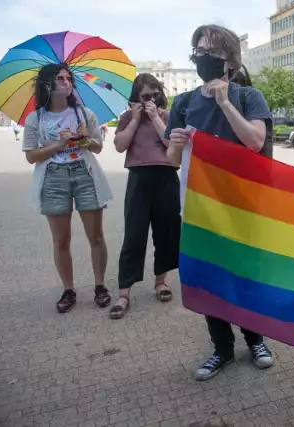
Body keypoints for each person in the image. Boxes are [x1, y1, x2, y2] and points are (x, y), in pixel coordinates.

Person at [165, 24, 274, 381]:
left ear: (229, 59)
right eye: (198, 51)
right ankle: (221, 348)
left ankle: (255, 339)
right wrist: (179, 143)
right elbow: (169, 159)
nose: (203, 57)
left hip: (242, 206)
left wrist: (225, 102)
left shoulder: (247, 98)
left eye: (211, 52)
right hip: (201, 208)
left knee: (244, 274)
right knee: (210, 278)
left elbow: (255, 141)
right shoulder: (182, 103)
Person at [22, 63, 112, 313]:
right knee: (61, 240)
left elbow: (97, 147)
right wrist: (60, 144)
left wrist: (85, 139)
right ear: (47, 84)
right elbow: (32, 156)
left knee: (96, 236)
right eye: (59, 78)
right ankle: (69, 289)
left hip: (85, 173)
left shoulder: (84, 113)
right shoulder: (36, 118)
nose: (65, 82)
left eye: (68, 78)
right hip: (53, 178)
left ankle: (100, 286)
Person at [109, 74, 180, 319]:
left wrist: (154, 116)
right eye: (146, 96)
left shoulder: (168, 117)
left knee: (166, 231)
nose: (152, 100)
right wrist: (136, 118)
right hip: (139, 177)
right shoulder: (128, 117)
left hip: (166, 177)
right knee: (134, 234)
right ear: (136, 97)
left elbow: (171, 143)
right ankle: (124, 292)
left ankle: (161, 282)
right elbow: (119, 145)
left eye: (155, 94)